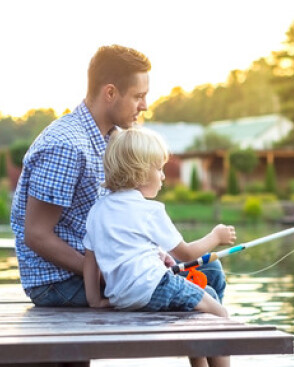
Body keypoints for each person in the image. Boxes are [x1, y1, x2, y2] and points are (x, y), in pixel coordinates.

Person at [10, 44, 227, 306]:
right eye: (139, 96)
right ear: (110, 93)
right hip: (59, 281)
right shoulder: (66, 146)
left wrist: (156, 254)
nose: (145, 106)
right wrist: (109, 276)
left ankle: (195, 346)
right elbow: (36, 235)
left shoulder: (111, 140)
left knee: (211, 272)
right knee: (208, 299)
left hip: (110, 266)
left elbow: (120, 218)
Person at [83, 127, 239, 367]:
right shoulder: (150, 210)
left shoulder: (98, 211)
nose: (164, 176)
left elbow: (90, 260)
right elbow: (188, 253)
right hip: (154, 287)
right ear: (140, 173)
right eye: (159, 169)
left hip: (123, 298)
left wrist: (96, 300)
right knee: (218, 311)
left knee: (200, 295)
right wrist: (216, 236)